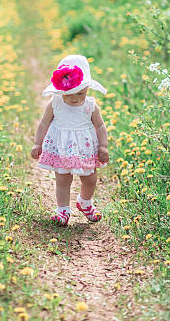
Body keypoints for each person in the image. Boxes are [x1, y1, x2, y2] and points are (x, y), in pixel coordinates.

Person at [31, 54, 109, 226]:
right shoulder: (55, 103)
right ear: (60, 90)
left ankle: (85, 202)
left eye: (80, 93)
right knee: (63, 179)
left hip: (85, 148)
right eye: (69, 94)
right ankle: (63, 210)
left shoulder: (90, 105)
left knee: (90, 178)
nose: (75, 98)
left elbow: (100, 126)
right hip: (62, 148)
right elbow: (44, 123)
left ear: (87, 88)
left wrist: (103, 146)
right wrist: (38, 143)